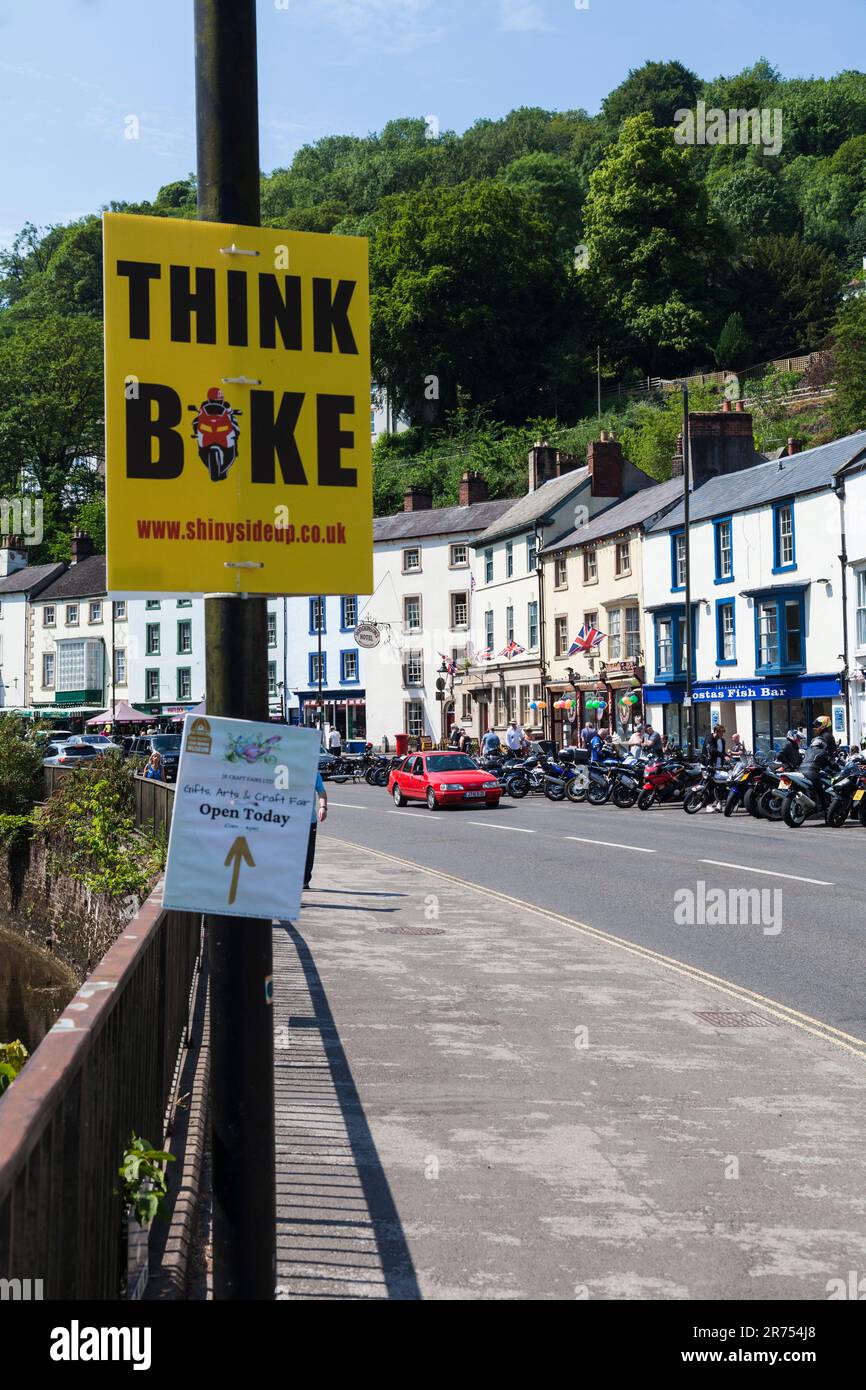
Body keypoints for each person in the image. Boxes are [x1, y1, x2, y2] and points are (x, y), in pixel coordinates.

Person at [304, 770, 328, 889]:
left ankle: (304, 880)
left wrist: (323, 807)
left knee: (308, 852)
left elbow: (321, 791)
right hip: (289, 819)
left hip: (309, 820)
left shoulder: (313, 771)